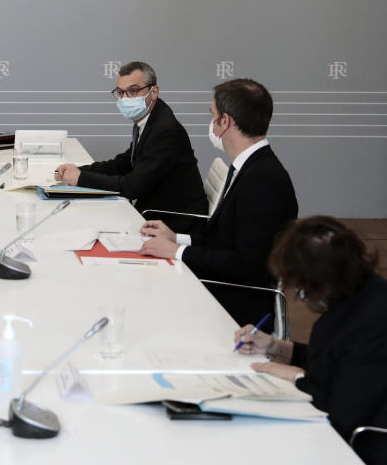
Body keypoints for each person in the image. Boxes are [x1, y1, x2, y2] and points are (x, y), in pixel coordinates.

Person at [139, 78, 298, 329]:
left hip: (237, 306)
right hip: (225, 285)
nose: (211, 124)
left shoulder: (263, 180)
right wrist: (177, 238)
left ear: (225, 122)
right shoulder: (250, 166)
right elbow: (228, 238)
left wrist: (177, 252)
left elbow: (248, 266)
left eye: (213, 116)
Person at [235, 216, 387, 465]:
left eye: (300, 285)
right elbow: (339, 359)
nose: (300, 294)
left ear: (319, 283)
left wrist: (296, 377)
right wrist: (276, 347)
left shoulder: (372, 324)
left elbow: (339, 412)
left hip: (361, 446)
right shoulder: (364, 292)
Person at [54, 61, 207, 221]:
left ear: (154, 92)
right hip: (154, 211)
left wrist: (81, 178)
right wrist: (78, 171)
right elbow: (124, 164)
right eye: (120, 92)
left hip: (175, 220)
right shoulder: (149, 119)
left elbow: (132, 187)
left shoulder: (165, 130)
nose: (126, 98)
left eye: (133, 91)